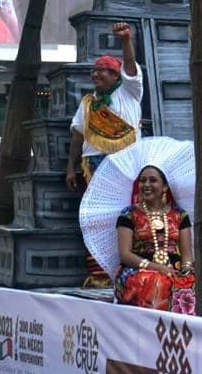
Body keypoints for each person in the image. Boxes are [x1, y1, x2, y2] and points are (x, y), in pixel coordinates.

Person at [67, 22, 144, 288]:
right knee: (97, 218)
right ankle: (100, 274)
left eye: (103, 71)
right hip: (94, 164)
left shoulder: (130, 91)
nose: (96, 75)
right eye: (94, 71)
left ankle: (129, 271)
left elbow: (132, 69)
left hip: (126, 165)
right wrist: (70, 168)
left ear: (116, 75)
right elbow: (77, 135)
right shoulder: (87, 103)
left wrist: (125, 41)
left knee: (127, 216)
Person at [115, 165, 195, 313]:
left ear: (164, 186)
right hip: (137, 271)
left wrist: (187, 271)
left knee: (196, 284)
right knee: (158, 282)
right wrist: (158, 268)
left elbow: (187, 254)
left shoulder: (180, 215)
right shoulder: (128, 214)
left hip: (174, 270)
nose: (146, 185)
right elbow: (125, 255)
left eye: (153, 180)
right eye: (142, 181)